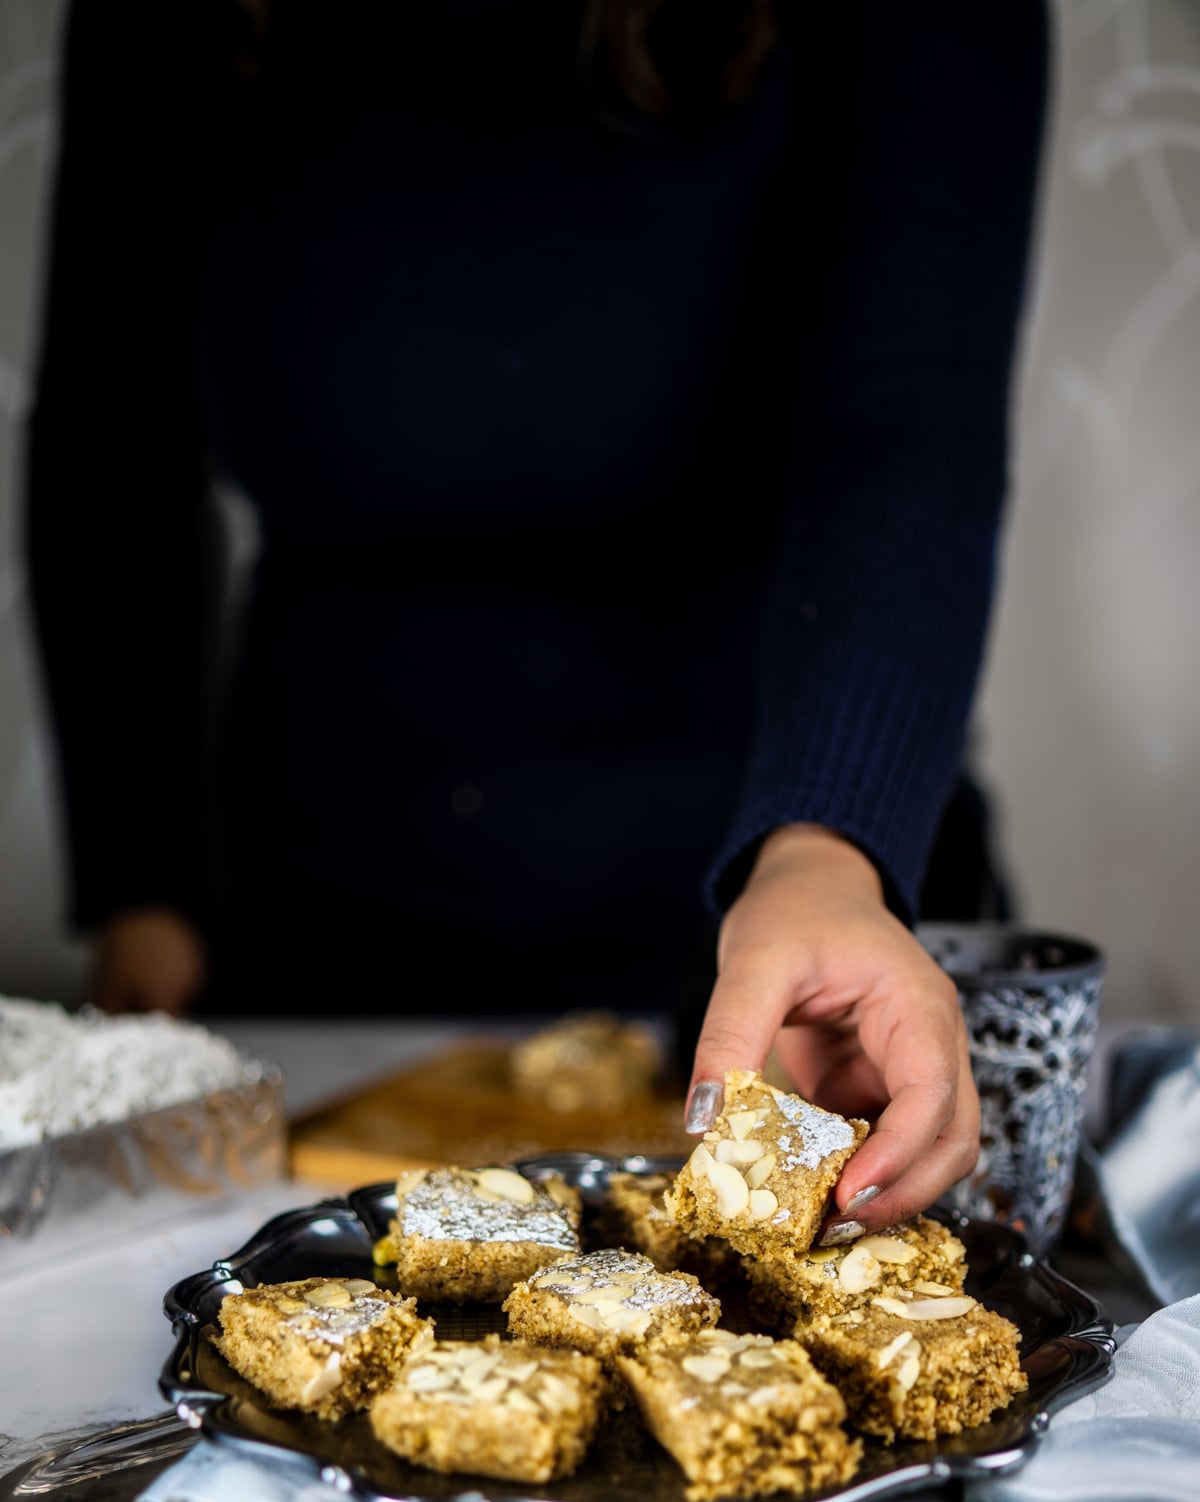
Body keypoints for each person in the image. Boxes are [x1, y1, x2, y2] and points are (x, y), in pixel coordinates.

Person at [25, 0, 1048, 1236]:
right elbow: (109, 421)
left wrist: (825, 845)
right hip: (313, 924)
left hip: (779, 920)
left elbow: (910, 420)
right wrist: (145, 882)